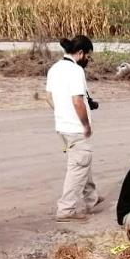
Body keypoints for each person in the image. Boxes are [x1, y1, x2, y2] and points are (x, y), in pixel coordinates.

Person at [45, 35, 102, 222]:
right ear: (80, 53)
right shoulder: (76, 71)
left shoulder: (54, 68)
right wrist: (85, 125)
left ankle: (91, 198)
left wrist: (61, 113)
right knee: (77, 167)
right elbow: (77, 101)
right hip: (76, 127)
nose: (88, 60)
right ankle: (66, 209)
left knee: (83, 162)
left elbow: (49, 97)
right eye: (88, 56)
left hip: (62, 127)